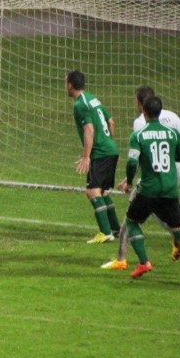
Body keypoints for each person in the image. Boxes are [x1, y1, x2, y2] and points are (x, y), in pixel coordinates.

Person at [102, 86, 180, 270]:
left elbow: (140, 154)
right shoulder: (171, 115)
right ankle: (176, 236)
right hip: (173, 171)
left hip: (152, 174)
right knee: (159, 209)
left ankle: (122, 259)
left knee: (133, 215)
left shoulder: (140, 122)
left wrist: (128, 180)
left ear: (140, 104)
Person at [117, 95, 180, 280]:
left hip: (148, 191)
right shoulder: (172, 134)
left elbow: (132, 162)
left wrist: (129, 181)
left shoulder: (138, 135)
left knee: (131, 222)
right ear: (160, 112)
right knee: (178, 230)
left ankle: (144, 262)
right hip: (169, 190)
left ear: (144, 111)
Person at [65, 70, 121, 244]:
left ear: (70, 85)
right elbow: (111, 121)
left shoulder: (79, 105)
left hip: (100, 152)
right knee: (102, 191)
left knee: (92, 192)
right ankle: (116, 229)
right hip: (111, 149)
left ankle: (105, 233)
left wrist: (86, 156)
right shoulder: (92, 99)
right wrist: (108, 141)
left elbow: (89, 129)